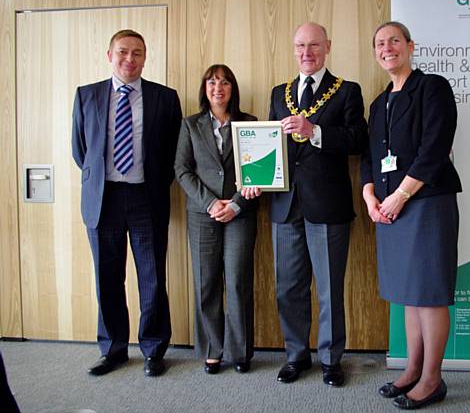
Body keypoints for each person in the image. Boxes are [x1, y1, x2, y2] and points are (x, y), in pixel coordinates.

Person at [244, 22, 367, 387]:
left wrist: (314, 132)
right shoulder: (279, 92)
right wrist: (254, 179)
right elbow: (269, 146)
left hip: (328, 204)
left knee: (329, 286)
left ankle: (330, 360)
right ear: (293, 48)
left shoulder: (347, 91)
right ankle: (296, 356)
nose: (306, 52)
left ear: (327, 46)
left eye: (314, 45)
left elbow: (358, 139)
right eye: (300, 45)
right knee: (288, 287)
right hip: (284, 204)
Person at [361, 21, 462, 409]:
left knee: (430, 293)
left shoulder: (432, 87)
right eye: (380, 44)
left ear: (410, 46)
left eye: (394, 41)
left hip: (425, 202)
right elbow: (370, 159)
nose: (388, 48)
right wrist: (371, 198)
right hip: (388, 209)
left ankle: (433, 379)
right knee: (408, 294)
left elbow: (435, 147)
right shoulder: (378, 101)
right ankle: (412, 370)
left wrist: (401, 196)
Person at [72, 29, 182, 377]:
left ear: (145, 58)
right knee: (108, 276)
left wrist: (151, 184)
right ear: (109, 55)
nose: (129, 60)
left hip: (145, 197)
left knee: (151, 276)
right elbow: (81, 151)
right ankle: (114, 349)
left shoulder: (165, 98)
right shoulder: (86, 96)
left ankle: (153, 350)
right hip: (103, 199)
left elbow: (173, 154)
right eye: (122, 52)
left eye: (137, 53)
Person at [174, 64, 258, 375]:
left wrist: (235, 204)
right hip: (202, 214)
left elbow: (259, 170)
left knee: (237, 282)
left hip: (240, 213)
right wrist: (210, 203)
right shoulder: (190, 125)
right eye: (211, 82)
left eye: (224, 82)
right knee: (206, 282)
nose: (218, 88)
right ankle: (212, 348)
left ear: (232, 88)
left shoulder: (249, 123)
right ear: (205, 88)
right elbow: (182, 170)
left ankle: (239, 351)